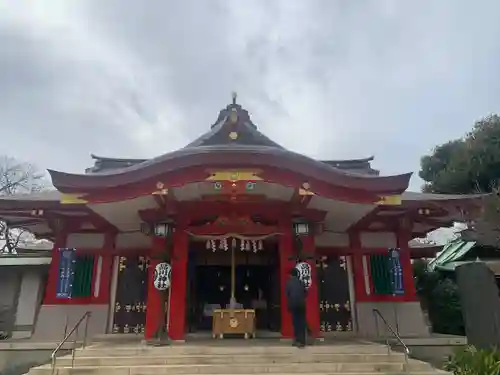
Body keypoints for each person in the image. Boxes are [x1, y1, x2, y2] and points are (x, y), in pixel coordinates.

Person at [285, 268, 307, 348]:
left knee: (296, 323)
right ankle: (302, 341)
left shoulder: (288, 283)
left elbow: (287, 294)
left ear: (290, 275)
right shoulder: (301, 282)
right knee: (302, 322)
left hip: (293, 305)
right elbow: (305, 293)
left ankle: (297, 340)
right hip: (301, 305)